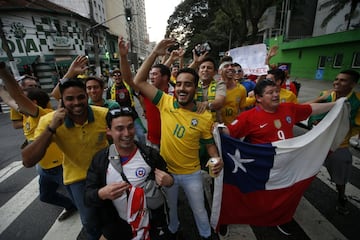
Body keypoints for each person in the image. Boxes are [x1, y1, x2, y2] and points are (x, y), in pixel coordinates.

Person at [131, 38, 223, 240]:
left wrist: (216, 160)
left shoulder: (204, 115)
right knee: (171, 208)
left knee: (199, 211)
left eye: (188, 85)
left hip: (192, 175)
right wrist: (155, 52)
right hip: (167, 172)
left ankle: (206, 235)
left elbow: (210, 147)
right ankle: (173, 230)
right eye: (179, 84)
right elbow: (138, 81)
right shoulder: (165, 101)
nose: (182, 88)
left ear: (195, 88)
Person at [221, 79, 337, 235]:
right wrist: (214, 128)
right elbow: (227, 133)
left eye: (276, 91)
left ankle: (281, 219)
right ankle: (227, 217)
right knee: (248, 195)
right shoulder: (248, 117)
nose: (276, 95)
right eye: (270, 93)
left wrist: (336, 106)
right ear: (259, 98)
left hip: (287, 165)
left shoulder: (288, 108)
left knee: (285, 195)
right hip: (262, 167)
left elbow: (311, 108)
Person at [21, 79, 109, 240]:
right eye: (70, 99)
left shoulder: (103, 114)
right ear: (61, 100)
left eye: (80, 97)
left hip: (107, 175)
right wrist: (52, 128)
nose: (76, 103)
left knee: (115, 216)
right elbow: (28, 160)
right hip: (77, 179)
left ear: (86, 96)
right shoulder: (49, 120)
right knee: (90, 222)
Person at [0, 63, 77, 221]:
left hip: (59, 168)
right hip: (44, 168)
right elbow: (10, 99)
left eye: (23, 101)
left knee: (81, 198)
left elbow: (17, 96)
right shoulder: (26, 115)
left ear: (33, 103)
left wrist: (3, 71)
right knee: (45, 196)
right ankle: (71, 206)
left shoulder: (41, 113)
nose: (18, 105)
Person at [84, 107, 174, 240]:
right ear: (108, 131)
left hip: (151, 224)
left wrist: (169, 181)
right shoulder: (100, 160)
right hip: (118, 226)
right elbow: (88, 196)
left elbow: (168, 177)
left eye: (130, 127)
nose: (127, 133)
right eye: (119, 129)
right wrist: (102, 193)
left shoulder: (149, 155)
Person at [307, 69, 360, 215]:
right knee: (303, 168)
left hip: (338, 145)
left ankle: (341, 197)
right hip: (317, 142)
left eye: (343, 80)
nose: (337, 82)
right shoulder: (325, 95)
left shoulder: (357, 100)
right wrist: (315, 122)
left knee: (340, 175)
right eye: (336, 79)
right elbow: (310, 112)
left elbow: (356, 124)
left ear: (353, 84)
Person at [106, 67, 147, 146]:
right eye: (115, 75)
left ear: (122, 76)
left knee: (141, 135)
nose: (117, 77)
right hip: (117, 117)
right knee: (118, 138)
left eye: (119, 75)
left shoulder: (129, 87)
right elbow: (108, 104)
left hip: (132, 115)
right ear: (112, 77)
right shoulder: (110, 90)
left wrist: (145, 110)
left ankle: (143, 151)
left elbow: (140, 97)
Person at [218, 61, 247, 125]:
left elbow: (242, 110)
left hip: (233, 129)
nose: (230, 68)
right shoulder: (214, 88)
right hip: (216, 129)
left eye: (232, 66)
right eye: (226, 66)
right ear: (219, 71)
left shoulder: (241, 89)